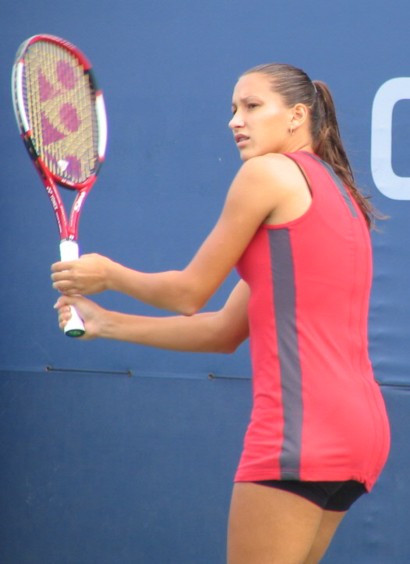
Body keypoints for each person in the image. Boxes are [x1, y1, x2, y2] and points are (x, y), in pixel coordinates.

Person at [52, 63, 390, 563]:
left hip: (299, 433)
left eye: (252, 107)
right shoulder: (341, 195)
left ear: (297, 116)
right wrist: (106, 322)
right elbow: (225, 330)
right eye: (233, 109)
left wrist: (108, 274)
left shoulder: (267, 173)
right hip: (360, 436)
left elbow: (189, 293)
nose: (236, 120)